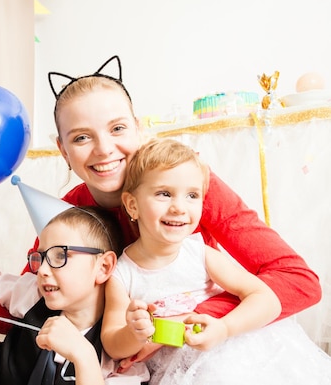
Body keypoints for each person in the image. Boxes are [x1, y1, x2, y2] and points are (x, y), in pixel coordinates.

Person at [0, 55, 321, 353]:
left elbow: (298, 280)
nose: (104, 149)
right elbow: (34, 312)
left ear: (140, 128)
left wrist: (188, 319)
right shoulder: (65, 219)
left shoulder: (190, 187)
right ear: (62, 150)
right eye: (81, 137)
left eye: (117, 128)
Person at [101, 137, 331, 384]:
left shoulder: (200, 254)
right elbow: (112, 344)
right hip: (180, 371)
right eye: (164, 194)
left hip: (234, 347)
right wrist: (135, 333)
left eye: (192, 195)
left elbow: (267, 299)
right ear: (132, 205)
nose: (179, 207)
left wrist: (225, 329)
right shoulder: (122, 274)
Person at [0, 206, 150, 385]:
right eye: (39, 257)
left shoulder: (119, 343)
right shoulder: (32, 294)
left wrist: (83, 355)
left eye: (60, 256)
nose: (41, 270)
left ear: (104, 267)